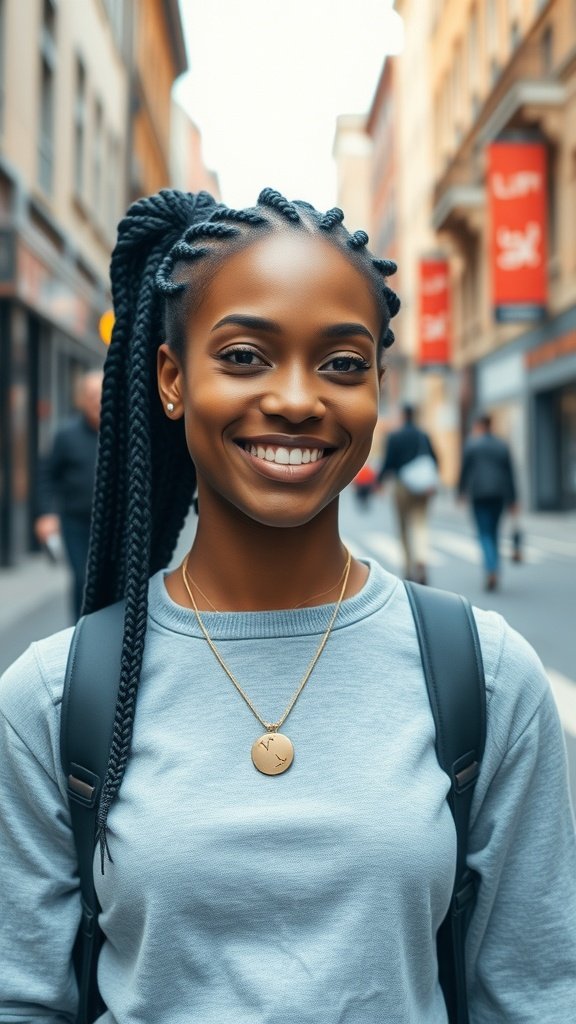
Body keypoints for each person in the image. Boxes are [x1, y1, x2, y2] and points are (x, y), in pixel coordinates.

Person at [0, 188, 574, 1022]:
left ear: (377, 386)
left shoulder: (484, 680)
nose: (299, 398)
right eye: (243, 356)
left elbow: (536, 995)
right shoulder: (55, 698)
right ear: (170, 378)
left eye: (342, 363)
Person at [34, 370, 103, 619]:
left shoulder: (123, 433)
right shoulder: (66, 436)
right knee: (83, 578)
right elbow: (46, 476)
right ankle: (80, 631)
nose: (98, 400)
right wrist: (46, 514)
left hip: (113, 523)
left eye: (102, 393)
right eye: (92, 394)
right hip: (76, 522)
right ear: (81, 400)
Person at [376, 403, 438, 584]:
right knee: (420, 523)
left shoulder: (394, 437)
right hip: (423, 487)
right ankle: (421, 559)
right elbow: (434, 459)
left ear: (403, 415)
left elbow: (388, 462)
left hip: (402, 485)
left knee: (403, 527)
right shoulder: (423, 436)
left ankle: (409, 567)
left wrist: (379, 482)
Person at [458, 412, 517, 592]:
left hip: (479, 494)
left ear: (479, 425)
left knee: (484, 533)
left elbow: (464, 471)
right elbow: (510, 473)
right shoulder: (502, 445)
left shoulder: (472, 445)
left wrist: (460, 492)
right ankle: (494, 568)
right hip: (499, 494)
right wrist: (514, 499)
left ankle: (491, 569)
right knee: (494, 532)